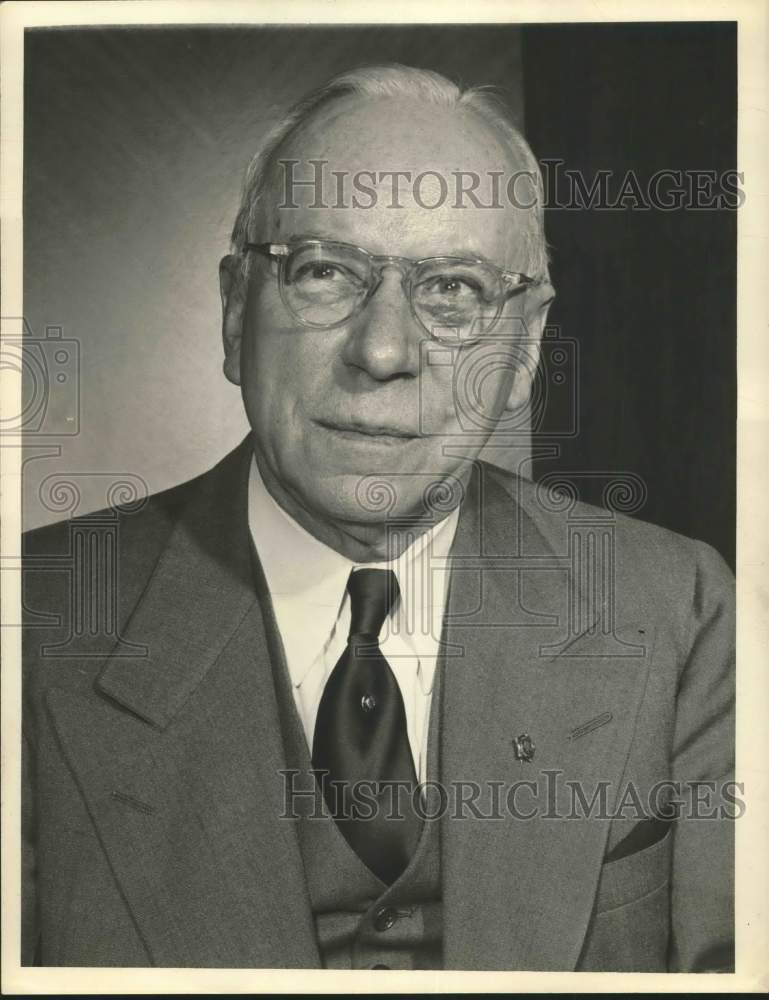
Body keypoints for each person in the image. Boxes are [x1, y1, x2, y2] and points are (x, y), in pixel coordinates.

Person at [21, 64, 735, 971]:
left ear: (524, 349)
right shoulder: (34, 630)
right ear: (236, 305)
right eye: (324, 272)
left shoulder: (682, 613)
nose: (383, 350)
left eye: (453, 290)